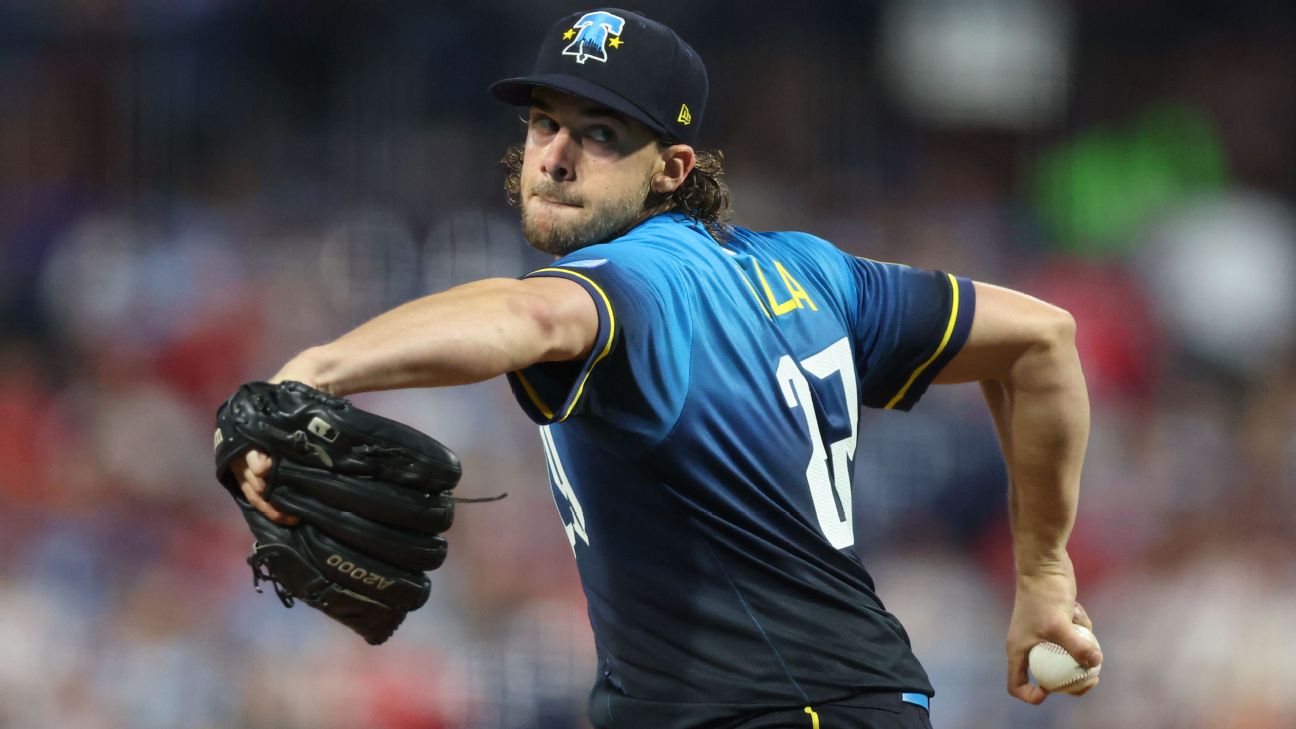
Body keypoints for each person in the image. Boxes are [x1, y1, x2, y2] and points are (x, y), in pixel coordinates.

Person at [234, 8, 1101, 728]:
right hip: (809, 699)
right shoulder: (814, 271)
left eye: (601, 134)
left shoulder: (636, 278)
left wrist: (317, 367)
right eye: (544, 123)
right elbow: (1041, 340)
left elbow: (530, 315)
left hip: (775, 707)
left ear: (671, 168)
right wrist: (1044, 575)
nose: (557, 154)